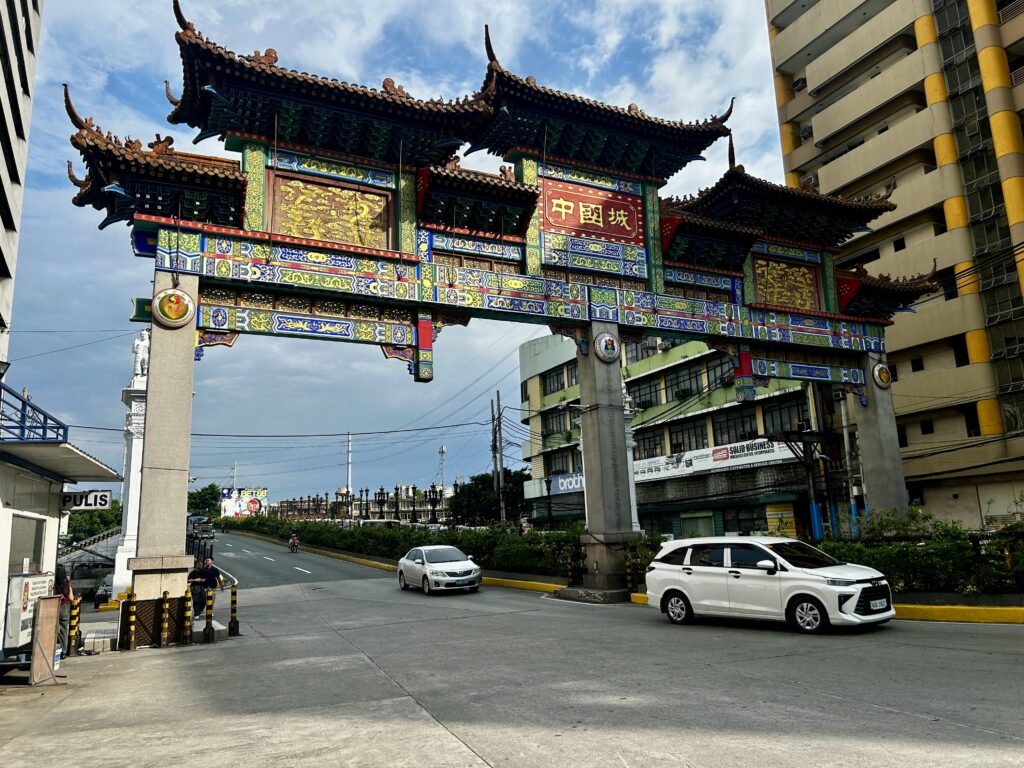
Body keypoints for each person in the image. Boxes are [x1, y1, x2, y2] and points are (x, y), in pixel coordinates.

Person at [54, 564, 74, 658]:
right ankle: (63, 651)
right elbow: (71, 598)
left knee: (53, 629)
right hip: (64, 607)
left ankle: (54, 649)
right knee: (63, 630)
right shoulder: (66, 583)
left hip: (53, 606)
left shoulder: (53, 582)